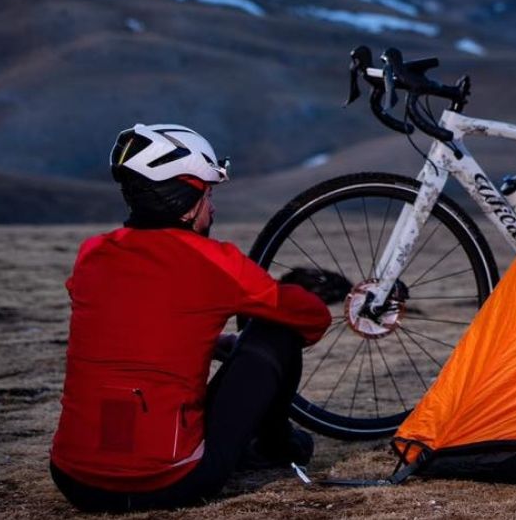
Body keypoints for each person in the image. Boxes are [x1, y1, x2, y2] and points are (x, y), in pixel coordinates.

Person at [49, 123, 332, 512]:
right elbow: (311, 318)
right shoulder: (212, 261)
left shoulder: (91, 255)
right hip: (170, 480)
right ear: (187, 200)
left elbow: (133, 319)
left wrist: (211, 342)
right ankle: (276, 445)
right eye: (208, 194)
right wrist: (299, 290)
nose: (212, 207)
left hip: (75, 480)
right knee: (276, 334)